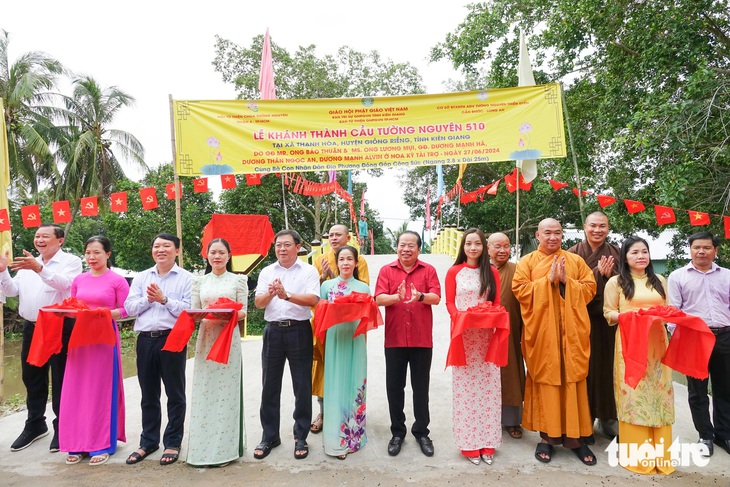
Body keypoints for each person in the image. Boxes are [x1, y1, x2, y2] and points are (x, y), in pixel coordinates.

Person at [512, 218, 597, 466]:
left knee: (573, 381)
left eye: (557, 233)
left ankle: (575, 439)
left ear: (562, 235)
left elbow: (590, 289)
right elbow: (520, 291)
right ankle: (547, 438)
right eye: (547, 233)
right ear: (537, 235)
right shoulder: (526, 263)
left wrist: (566, 282)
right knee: (546, 381)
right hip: (542, 335)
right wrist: (546, 281)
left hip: (571, 335)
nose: (552, 237)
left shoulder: (575, 261)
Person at [0, 223, 82, 453]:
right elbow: (12, 291)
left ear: (60, 240)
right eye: (37, 236)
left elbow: (65, 284)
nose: (39, 240)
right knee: (31, 377)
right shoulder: (27, 264)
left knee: (60, 378)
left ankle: (62, 427)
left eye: (45, 236)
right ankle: (35, 424)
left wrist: (39, 268)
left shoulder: (71, 262)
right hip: (32, 327)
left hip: (60, 326)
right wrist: (3, 271)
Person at [603, 236, 674, 475]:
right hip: (629, 345)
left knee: (660, 395)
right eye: (635, 252)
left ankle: (661, 459)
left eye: (644, 251)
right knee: (633, 395)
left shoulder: (660, 280)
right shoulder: (617, 282)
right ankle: (638, 459)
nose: (641, 256)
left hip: (657, 345)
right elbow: (609, 312)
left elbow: (668, 310)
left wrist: (664, 316)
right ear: (625, 257)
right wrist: (631, 317)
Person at [124, 233, 192, 466]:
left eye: (166, 246)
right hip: (145, 340)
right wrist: (148, 299)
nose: (160, 249)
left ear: (177, 251)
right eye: (156, 246)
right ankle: (148, 441)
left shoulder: (187, 278)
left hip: (172, 338)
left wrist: (164, 300)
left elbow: (189, 310)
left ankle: (173, 441)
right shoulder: (142, 277)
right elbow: (129, 307)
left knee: (175, 393)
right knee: (148, 394)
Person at [61, 236, 129, 465]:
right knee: (77, 390)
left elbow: (127, 309)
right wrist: (65, 313)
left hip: (104, 338)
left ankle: (102, 444)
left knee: (101, 390)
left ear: (108, 254)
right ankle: (77, 443)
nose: (91, 257)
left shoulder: (118, 281)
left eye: (97, 252)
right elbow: (74, 307)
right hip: (80, 339)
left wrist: (103, 314)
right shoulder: (79, 280)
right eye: (88, 252)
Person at [254, 229, 319, 460]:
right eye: (278, 245)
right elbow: (259, 304)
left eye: (286, 245)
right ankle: (269, 435)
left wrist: (287, 295)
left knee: (302, 386)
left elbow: (313, 300)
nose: (282, 249)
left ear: (298, 246)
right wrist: (272, 293)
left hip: (299, 330)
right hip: (273, 331)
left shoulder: (309, 270)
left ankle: (301, 436)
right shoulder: (267, 271)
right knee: (269, 385)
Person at [375, 230, 441, 457]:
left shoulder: (428, 270)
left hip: (422, 339)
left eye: (411, 245)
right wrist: (396, 297)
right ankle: (397, 432)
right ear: (397, 247)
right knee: (394, 388)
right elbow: (378, 298)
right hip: (394, 339)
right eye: (403, 245)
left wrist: (420, 296)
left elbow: (436, 298)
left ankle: (422, 431)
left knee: (420, 388)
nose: (406, 249)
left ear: (419, 248)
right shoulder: (386, 271)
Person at [186, 238, 248, 467]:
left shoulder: (239, 280)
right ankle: (201, 447)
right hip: (206, 339)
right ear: (207, 255)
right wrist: (199, 316)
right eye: (213, 252)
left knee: (226, 394)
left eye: (222, 252)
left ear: (229, 256)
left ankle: (225, 449)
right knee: (205, 391)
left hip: (228, 338)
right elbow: (195, 311)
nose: (217, 256)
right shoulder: (199, 281)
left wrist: (229, 314)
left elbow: (243, 313)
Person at [668, 231, 730, 458]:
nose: (701, 251)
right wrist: (680, 342)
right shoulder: (678, 276)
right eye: (697, 247)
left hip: (724, 336)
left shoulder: (727, 276)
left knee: (725, 388)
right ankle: (705, 434)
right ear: (690, 249)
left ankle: (724, 434)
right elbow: (674, 311)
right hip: (694, 339)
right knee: (697, 391)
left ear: (715, 250)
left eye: (706, 247)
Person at [445, 228, 502, 465]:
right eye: (469, 244)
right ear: (463, 246)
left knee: (489, 390)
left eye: (477, 244)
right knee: (467, 391)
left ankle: (488, 443)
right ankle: (469, 444)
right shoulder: (454, 271)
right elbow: (450, 302)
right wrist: (459, 318)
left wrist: (490, 319)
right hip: (464, 336)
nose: (473, 248)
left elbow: (496, 303)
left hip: (487, 337)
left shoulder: (492, 272)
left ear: (483, 246)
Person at [311, 224, 370, 434]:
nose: (334, 238)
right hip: (330, 331)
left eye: (338, 235)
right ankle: (325, 413)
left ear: (347, 237)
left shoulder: (360, 260)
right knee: (326, 373)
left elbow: (364, 292)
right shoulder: (320, 259)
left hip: (352, 328)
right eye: (331, 235)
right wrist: (323, 277)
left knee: (352, 376)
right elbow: (315, 300)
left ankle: (353, 419)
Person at [567, 211, 620, 441]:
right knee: (583, 369)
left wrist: (610, 278)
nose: (597, 230)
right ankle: (584, 417)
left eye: (602, 226)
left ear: (608, 228)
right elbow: (566, 286)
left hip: (609, 323)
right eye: (593, 226)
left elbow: (626, 285)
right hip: (581, 320)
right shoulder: (572, 254)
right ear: (584, 227)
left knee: (609, 369)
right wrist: (598, 273)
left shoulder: (618, 253)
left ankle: (608, 418)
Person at [319, 245, 371, 459]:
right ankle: (335, 439)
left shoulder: (364, 288)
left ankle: (355, 437)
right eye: (342, 259)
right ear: (336, 262)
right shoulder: (327, 286)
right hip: (335, 340)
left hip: (356, 340)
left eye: (350, 259)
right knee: (335, 386)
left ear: (356, 263)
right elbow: (321, 315)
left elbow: (367, 317)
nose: (346, 263)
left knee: (355, 385)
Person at [487, 232, 525, 440]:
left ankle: (512, 421)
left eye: (506, 246)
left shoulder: (517, 270)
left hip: (510, 330)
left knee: (510, 373)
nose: (502, 251)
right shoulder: (481, 270)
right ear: (488, 248)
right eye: (498, 247)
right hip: (485, 331)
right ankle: (486, 418)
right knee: (486, 374)